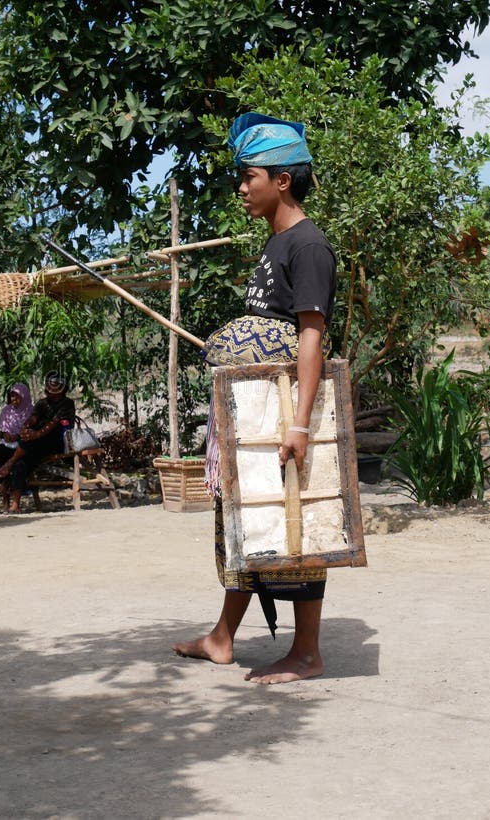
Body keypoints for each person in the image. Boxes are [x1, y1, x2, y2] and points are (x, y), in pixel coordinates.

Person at [173, 112, 337, 685]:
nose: (241, 187)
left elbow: (310, 336)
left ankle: (308, 652)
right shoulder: (276, 244)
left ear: (283, 179)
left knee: (296, 527)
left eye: (249, 176)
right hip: (256, 411)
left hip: (285, 413)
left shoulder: (309, 246)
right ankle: (223, 638)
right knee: (248, 523)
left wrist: (298, 424)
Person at [0, 372, 76, 512]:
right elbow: (33, 418)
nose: (51, 392)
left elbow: (53, 424)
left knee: (29, 444)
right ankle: (15, 504)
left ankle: (9, 463)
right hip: (37, 444)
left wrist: (36, 434)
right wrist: (26, 426)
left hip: (57, 441)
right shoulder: (42, 403)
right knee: (20, 464)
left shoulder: (67, 404)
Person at [0, 382, 33, 513]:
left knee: (19, 466)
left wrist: (17, 436)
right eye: (12, 396)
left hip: (22, 447)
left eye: (17, 396)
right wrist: (5, 434)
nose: (14, 400)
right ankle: (5, 484)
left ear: (24, 396)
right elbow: (0, 429)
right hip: (7, 446)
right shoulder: (7, 410)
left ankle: (15, 503)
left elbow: (32, 431)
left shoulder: (31, 412)